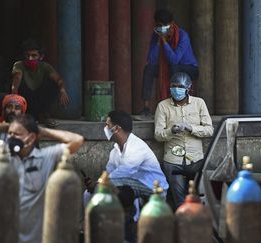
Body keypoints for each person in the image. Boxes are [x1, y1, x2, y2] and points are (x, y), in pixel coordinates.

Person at [0, 114, 84, 243]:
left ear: (31, 138)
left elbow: (77, 140)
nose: (10, 137)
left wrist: (42, 131)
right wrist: (6, 127)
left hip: (33, 238)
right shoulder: (0, 152)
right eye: (9, 134)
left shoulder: (46, 157)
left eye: (16, 134)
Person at [83, 110, 168, 243]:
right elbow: (109, 174)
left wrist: (99, 183)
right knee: (88, 193)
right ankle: (91, 225)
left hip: (154, 189)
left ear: (116, 128)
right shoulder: (115, 151)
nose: (105, 128)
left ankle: (133, 227)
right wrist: (94, 185)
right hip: (131, 186)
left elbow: (124, 173)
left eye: (107, 125)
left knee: (124, 186)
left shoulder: (137, 147)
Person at [154, 72, 213, 210]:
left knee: (199, 199)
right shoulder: (163, 106)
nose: (176, 89)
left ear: (188, 88)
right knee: (180, 202)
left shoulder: (199, 103)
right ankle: (181, 226)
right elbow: (158, 134)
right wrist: (171, 131)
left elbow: (209, 130)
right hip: (173, 162)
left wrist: (191, 128)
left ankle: (198, 226)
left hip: (196, 161)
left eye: (180, 86)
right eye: (173, 86)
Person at [141, 9, 199, 117]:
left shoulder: (182, 36)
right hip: (168, 67)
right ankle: (146, 107)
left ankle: (172, 105)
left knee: (174, 68)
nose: (161, 28)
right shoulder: (156, 36)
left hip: (189, 69)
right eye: (158, 25)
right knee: (149, 69)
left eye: (163, 26)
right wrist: (158, 42)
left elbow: (174, 60)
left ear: (171, 24)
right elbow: (151, 60)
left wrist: (164, 42)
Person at [11, 39, 70, 128]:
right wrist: (14, 97)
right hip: (25, 101)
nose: (30, 58)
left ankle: (43, 116)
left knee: (53, 84)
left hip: (39, 100)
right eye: (27, 55)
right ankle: (26, 115)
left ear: (41, 57)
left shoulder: (45, 66)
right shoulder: (19, 65)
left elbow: (58, 79)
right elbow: (17, 80)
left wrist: (62, 90)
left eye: (34, 55)